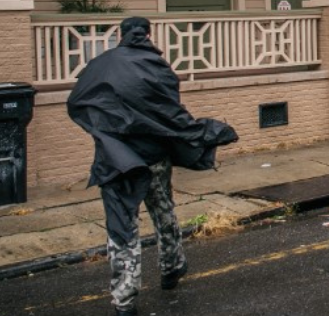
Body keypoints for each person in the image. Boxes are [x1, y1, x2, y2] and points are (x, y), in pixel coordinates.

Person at [67, 16, 238, 316]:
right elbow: (170, 112)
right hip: (153, 156)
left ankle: (125, 298)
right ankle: (171, 267)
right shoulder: (156, 67)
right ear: (147, 34)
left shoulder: (100, 66)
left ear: (121, 35)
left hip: (116, 160)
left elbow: (77, 102)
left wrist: (104, 130)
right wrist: (203, 134)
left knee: (122, 225)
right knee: (162, 210)